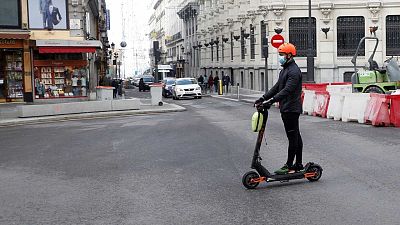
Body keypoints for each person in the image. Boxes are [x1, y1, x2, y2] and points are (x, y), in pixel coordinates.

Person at [254, 43, 303, 175]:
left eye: (281, 55)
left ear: (289, 55)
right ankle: (298, 164)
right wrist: (263, 98)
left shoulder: (294, 71)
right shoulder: (285, 70)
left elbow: (287, 90)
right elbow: (277, 87)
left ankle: (289, 165)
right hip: (286, 108)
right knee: (296, 136)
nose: (280, 57)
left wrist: (271, 101)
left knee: (293, 137)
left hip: (291, 109)